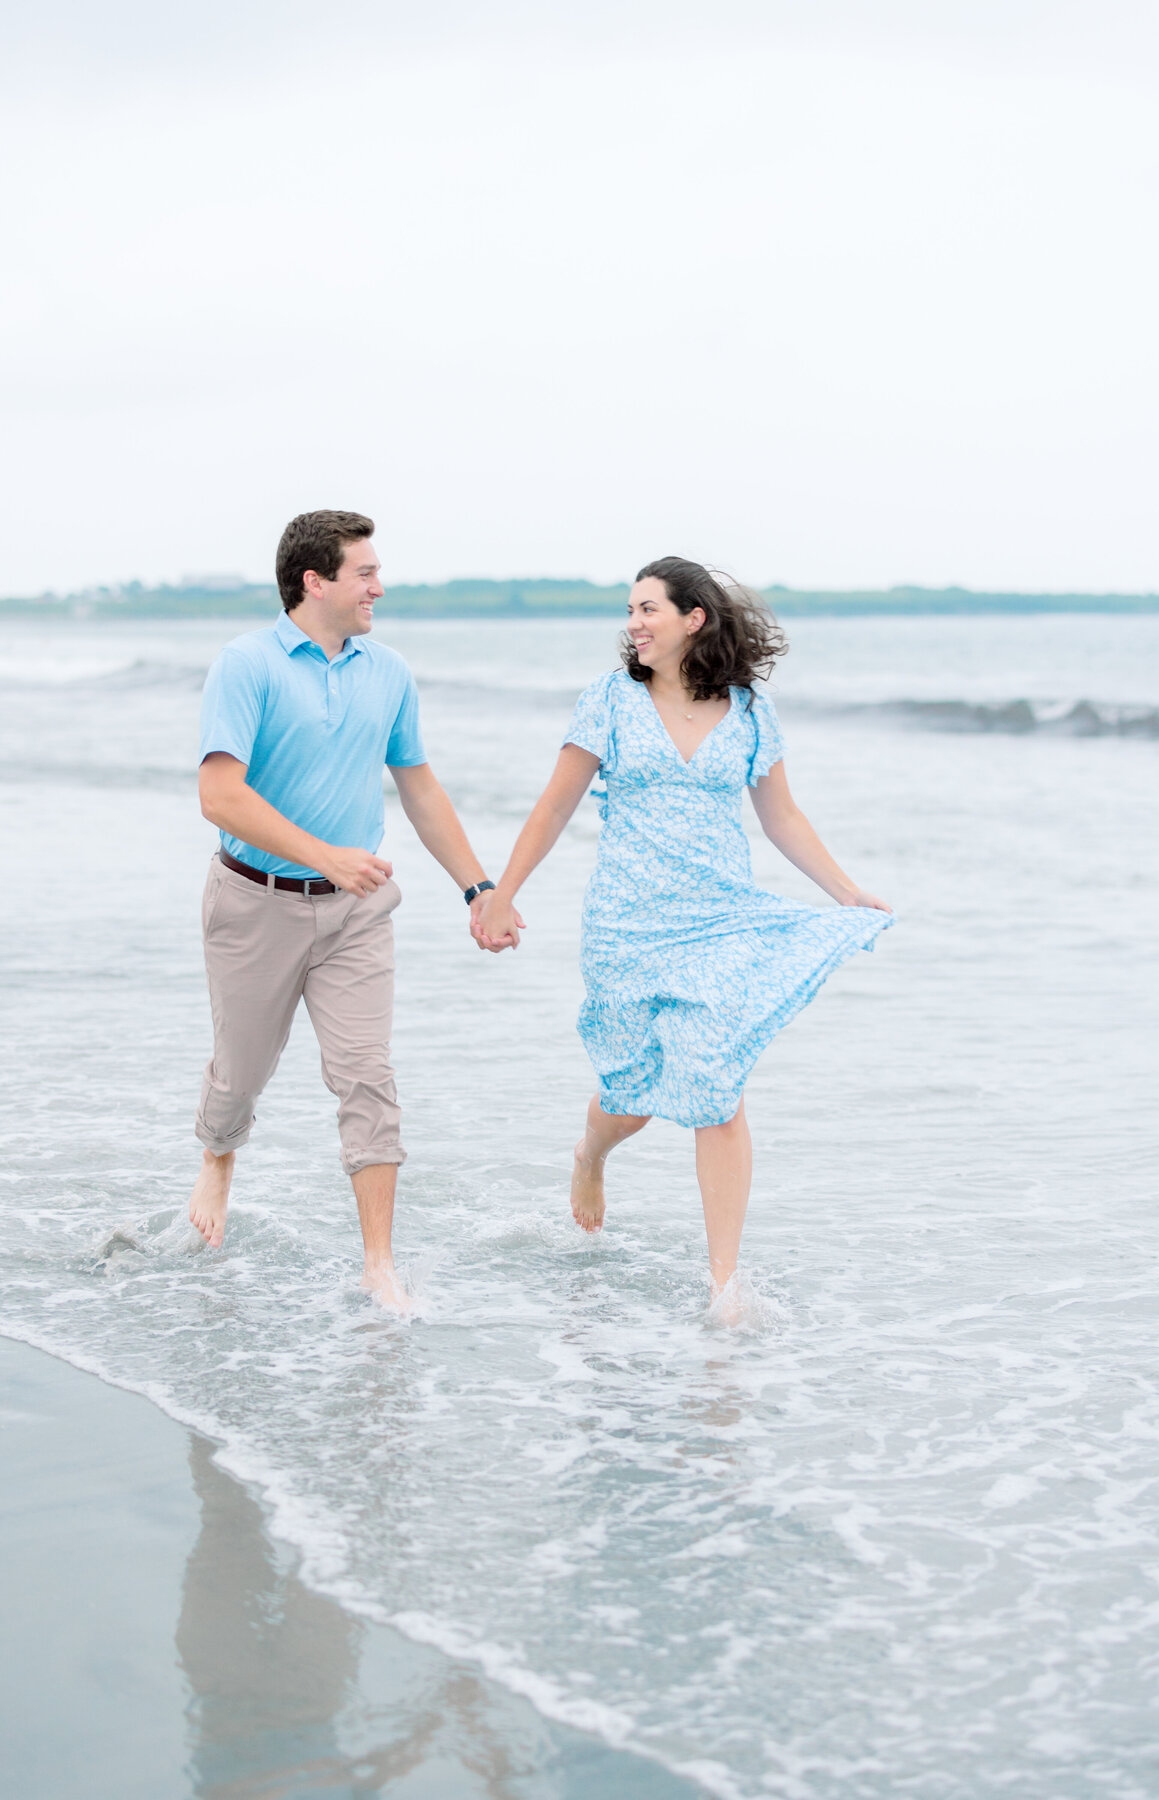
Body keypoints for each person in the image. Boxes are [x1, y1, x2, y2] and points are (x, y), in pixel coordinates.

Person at [473, 557, 894, 1303]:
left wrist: (846, 890)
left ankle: (723, 1285)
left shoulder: (750, 712)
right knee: (631, 1096)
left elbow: (782, 818)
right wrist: (503, 895)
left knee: (717, 1088)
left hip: (720, 917)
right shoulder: (608, 700)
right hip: (627, 922)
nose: (633, 623)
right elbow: (553, 806)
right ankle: (590, 1155)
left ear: (692, 619)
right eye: (630, 611)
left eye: (647, 609)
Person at [188, 510, 514, 1311]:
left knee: (367, 1075)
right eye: (364, 572)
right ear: (315, 582)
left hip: (357, 913)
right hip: (252, 904)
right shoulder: (247, 665)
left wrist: (480, 889)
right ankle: (218, 1160)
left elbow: (420, 787)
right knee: (240, 1076)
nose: (378, 585)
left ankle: (378, 1265)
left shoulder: (388, 671)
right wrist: (322, 853)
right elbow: (218, 794)